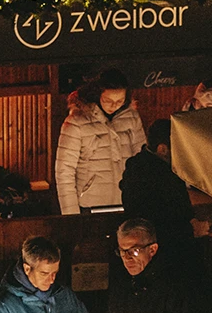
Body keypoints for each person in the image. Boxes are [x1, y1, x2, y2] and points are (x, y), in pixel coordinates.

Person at [119, 118, 212, 276]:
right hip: (167, 261)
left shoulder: (145, 170)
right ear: (162, 149)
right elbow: (154, 223)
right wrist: (191, 230)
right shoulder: (151, 176)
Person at [54, 68, 145, 215]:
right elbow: (64, 173)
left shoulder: (131, 118)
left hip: (127, 201)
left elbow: (142, 163)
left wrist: (142, 199)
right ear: (96, 95)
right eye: (108, 101)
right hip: (90, 204)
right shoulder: (76, 123)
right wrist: (71, 215)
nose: (114, 105)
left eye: (120, 101)